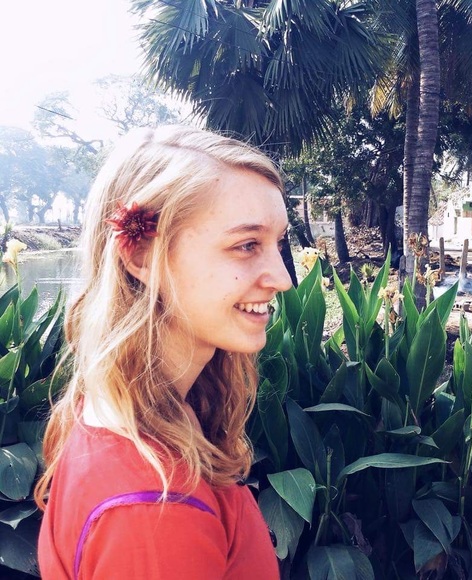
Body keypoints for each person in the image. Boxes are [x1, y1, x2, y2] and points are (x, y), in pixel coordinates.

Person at [35, 125, 292, 579]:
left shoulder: (125, 408)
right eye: (246, 245)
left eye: (279, 243)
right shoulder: (155, 513)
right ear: (142, 257)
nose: (282, 278)